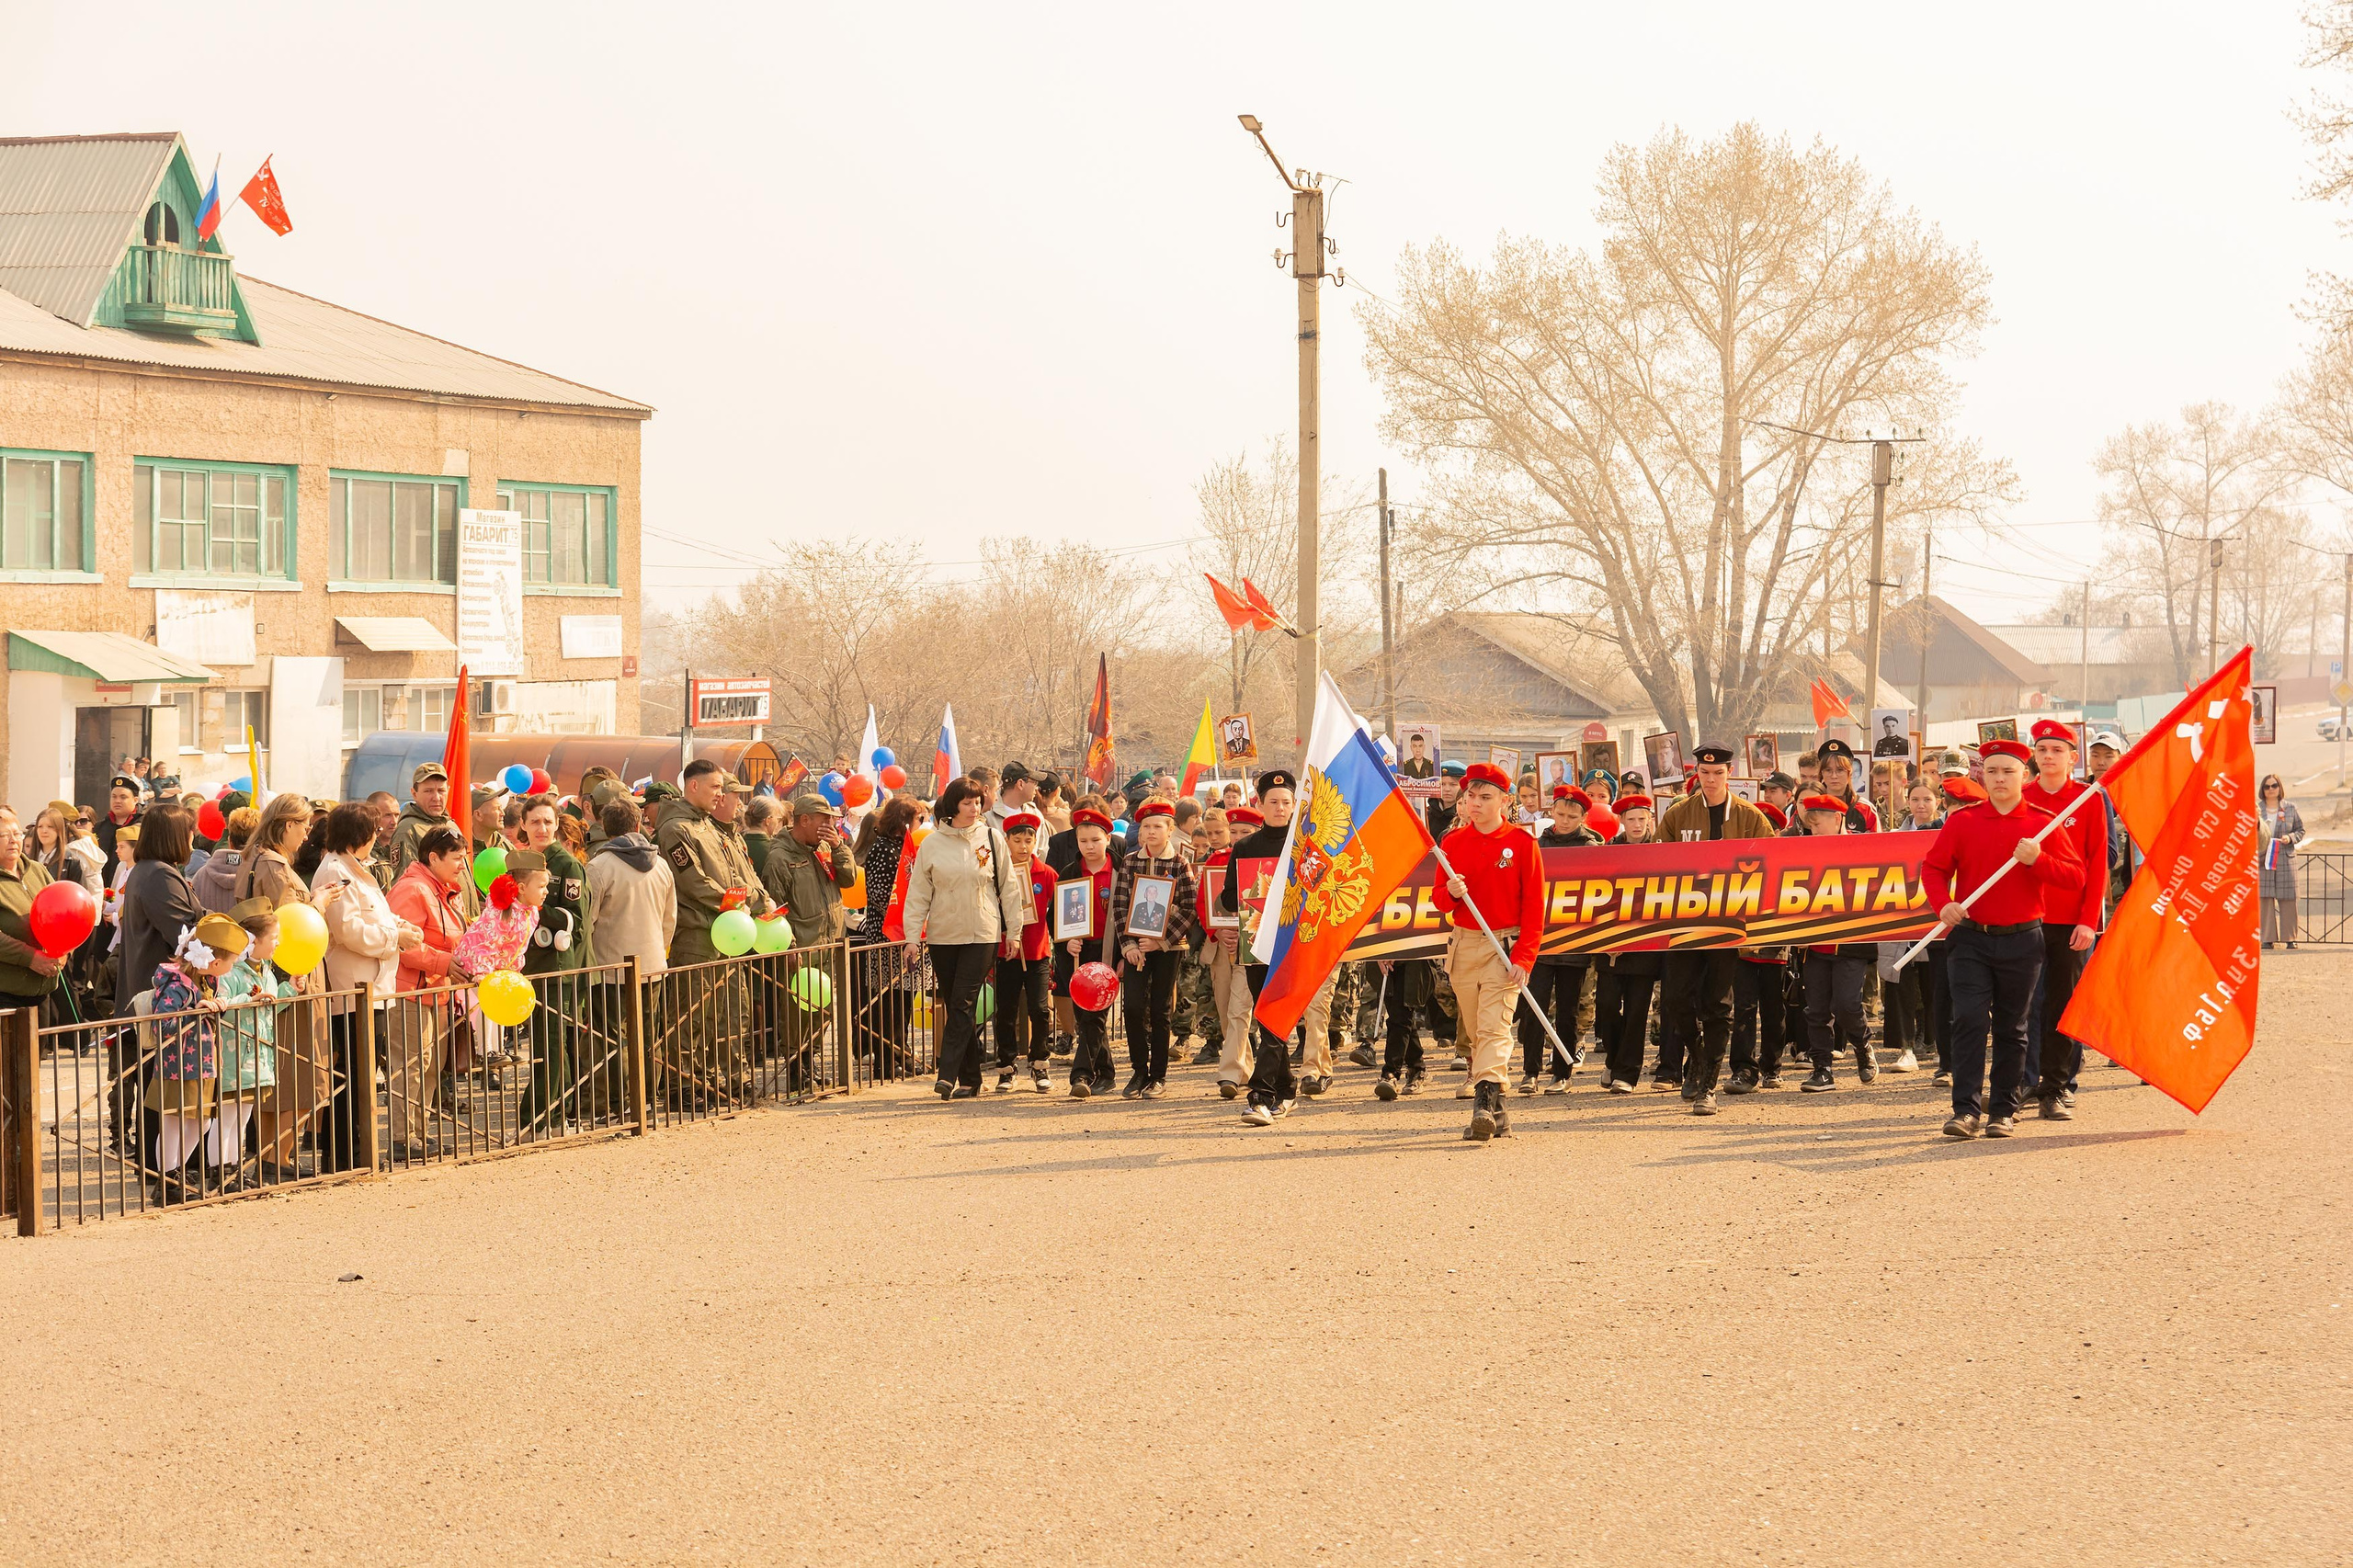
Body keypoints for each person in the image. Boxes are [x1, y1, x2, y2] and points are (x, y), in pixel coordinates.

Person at [1924, 737, 2085, 1140]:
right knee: (1969, 1021)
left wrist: (2038, 859)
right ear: (1983, 775)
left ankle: (2003, 1111)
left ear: (2024, 776)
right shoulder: (1964, 821)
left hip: (2023, 940)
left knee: (2014, 1027)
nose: (1999, 779)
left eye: (2008, 771)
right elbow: (1934, 869)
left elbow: (2076, 877)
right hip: (1970, 938)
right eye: (1992, 771)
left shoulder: (2042, 824)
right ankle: (1964, 1110)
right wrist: (1942, 904)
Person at [1656, 744, 1779, 1112]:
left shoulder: (1749, 816)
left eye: (1718, 774)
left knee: (1718, 1003)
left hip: (1729, 923)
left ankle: (1709, 1079)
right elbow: (1656, 860)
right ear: (1697, 772)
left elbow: (1771, 860)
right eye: (1705, 773)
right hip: (1685, 921)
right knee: (1677, 998)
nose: (1711, 780)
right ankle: (1696, 1055)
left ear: (1730, 774)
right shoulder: (1679, 814)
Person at [1432, 762, 1544, 1142]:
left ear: (1504, 800)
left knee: (1495, 1028)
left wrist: (1525, 957)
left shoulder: (1524, 845)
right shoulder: (1452, 844)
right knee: (1478, 1032)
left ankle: (1482, 1103)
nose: (1475, 803)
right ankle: (1499, 1113)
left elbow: (1534, 907)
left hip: (1504, 946)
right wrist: (1451, 891)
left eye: (1485, 797)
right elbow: (1438, 901)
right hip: (1464, 943)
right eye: (1471, 797)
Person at [902, 777, 1029, 1100]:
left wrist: (1013, 931)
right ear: (953, 805)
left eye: (978, 802)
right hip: (944, 935)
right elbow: (918, 894)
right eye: (967, 803)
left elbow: (1009, 888)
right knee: (958, 1006)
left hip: (982, 931)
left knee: (962, 1002)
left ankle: (946, 1074)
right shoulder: (931, 843)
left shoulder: (991, 837)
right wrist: (912, 937)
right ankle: (971, 1080)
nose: (974, 808)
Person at [314, 801, 422, 1171]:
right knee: (355, 1073)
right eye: (374, 832)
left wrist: (402, 926)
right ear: (360, 835)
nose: (377, 838)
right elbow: (348, 930)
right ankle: (347, 1156)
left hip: (372, 983)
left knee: (363, 1072)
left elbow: (375, 912)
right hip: (354, 986)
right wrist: (395, 938)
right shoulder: (335, 869)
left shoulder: (354, 867)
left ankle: (355, 1152)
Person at [2020, 718, 2109, 1120]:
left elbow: (2097, 864)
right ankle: (2022, 1083)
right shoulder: (2020, 798)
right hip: (2025, 918)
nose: (2049, 757)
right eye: (2042, 750)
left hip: (2070, 921)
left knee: (2062, 1007)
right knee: (2021, 1007)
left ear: (2073, 757)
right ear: (2034, 757)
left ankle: (2055, 1088)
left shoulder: (2088, 799)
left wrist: (2088, 921)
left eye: (2057, 750)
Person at [141, 911, 253, 1205]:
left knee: (200, 1124)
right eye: (231, 962)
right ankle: (167, 1182)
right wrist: (195, 1010)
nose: (232, 967)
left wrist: (218, 1005)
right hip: (177, 1066)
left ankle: (178, 1173)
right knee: (174, 1123)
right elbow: (162, 1022)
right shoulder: (175, 983)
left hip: (203, 1063)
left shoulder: (209, 982)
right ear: (214, 962)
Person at [385, 824, 469, 1161]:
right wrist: (444, 962)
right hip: (411, 992)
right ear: (434, 858)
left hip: (435, 991)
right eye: (457, 858)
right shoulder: (413, 890)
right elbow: (403, 945)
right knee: (411, 1066)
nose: (462, 865)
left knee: (430, 1065)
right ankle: (403, 1137)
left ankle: (418, 1133)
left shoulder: (440, 888)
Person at [1108, 800, 1196, 1099]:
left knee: (1160, 1010)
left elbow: (1190, 907)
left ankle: (1158, 1075)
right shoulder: (1131, 861)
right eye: (1146, 826)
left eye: (1158, 826)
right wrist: (1129, 945)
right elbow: (1120, 906)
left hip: (1167, 948)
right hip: (1136, 950)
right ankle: (1138, 1071)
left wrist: (1162, 940)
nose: (1151, 832)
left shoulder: (1179, 863)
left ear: (1170, 830)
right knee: (1132, 1007)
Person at [1517, 785, 1600, 1096]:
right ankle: (1530, 1072)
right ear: (1552, 811)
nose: (1565, 820)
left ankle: (1562, 1072)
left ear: (1583, 817)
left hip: (1575, 942)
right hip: (1539, 939)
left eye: (1573, 816)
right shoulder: (1536, 844)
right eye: (1561, 814)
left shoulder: (1592, 847)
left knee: (1567, 1010)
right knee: (1534, 1007)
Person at [1790, 795, 1876, 1092]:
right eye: (1809, 826)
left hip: (1850, 942)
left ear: (1837, 819)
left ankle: (1862, 1045)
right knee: (1815, 1009)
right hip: (1814, 944)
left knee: (1847, 1004)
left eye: (1817, 825)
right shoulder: (1802, 849)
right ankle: (1822, 1068)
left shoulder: (1863, 846)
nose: (1812, 831)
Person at [1882, 780, 1949, 1083]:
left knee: (1936, 984)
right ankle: (1905, 1047)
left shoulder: (1948, 835)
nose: (1920, 805)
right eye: (1914, 799)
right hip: (1903, 918)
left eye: (1927, 799)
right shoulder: (1894, 837)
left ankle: (1936, 1042)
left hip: (1938, 918)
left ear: (1938, 802)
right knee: (1900, 983)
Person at [851, 795, 922, 1077]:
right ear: (904, 821)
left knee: (903, 1000)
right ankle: (887, 1059)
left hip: (909, 934)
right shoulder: (883, 849)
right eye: (919, 819)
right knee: (887, 1002)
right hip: (887, 935)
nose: (921, 824)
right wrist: (909, 914)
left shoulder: (908, 847)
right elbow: (880, 894)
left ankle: (899, 1053)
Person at [1595, 795, 1660, 1094]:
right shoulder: (1609, 851)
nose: (1637, 824)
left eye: (1641, 818)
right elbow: (1599, 897)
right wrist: (1607, 937)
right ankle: (1614, 1058)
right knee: (1606, 1008)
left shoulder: (1660, 852)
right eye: (1631, 819)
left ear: (1650, 820)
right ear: (1622, 821)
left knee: (1637, 1012)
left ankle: (1627, 1073)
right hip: (1612, 947)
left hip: (1645, 946)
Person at [1055, 806, 1121, 1098]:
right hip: (1079, 953)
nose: (1089, 847)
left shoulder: (1120, 872)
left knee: (1096, 1015)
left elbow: (1129, 917)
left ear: (1107, 838)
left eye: (1095, 840)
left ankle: (1080, 1074)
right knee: (1086, 1016)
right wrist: (1065, 942)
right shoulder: (1070, 873)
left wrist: (1123, 956)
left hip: (1109, 951)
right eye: (1083, 841)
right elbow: (1054, 917)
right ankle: (1106, 1074)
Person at [992, 811, 1055, 1093]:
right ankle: (1006, 1067)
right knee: (1005, 1010)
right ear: (1006, 841)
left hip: (1038, 950)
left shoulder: (1047, 874)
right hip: (1007, 952)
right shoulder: (996, 874)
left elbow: (1060, 912)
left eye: (1028, 840)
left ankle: (1040, 1062)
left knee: (1040, 1010)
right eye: (1016, 840)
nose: (1023, 846)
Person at [587, 798, 677, 983]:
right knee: (648, 1013)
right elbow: (670, 919)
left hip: (611, 970)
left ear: (605, 827)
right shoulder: (661, 865)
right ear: (638, 825)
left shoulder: (598, 866)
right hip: (653, 966)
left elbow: (588, 921)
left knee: (612, 1013)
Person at [0, 810, 61, 1015]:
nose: (13, 840)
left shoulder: (36, 870)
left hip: (42, 992)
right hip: (6, 995)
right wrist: (31, 958)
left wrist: (65, 952)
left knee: (40, 1047)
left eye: (17, 834)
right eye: (3, 835)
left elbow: (63, 912)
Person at [2257, 773, 2305, 951]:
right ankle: (2267, 938)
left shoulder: (2290, 808)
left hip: (2285, 858)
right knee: (2265, 899)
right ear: (2262, 790)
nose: (2271, 789)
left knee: (2288, 899)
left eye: (2274, 786)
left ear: (2280, 788)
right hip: (2263, 859)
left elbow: (2301, 830)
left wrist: (2290, 837)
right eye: (2267, 787)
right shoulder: (2256, 809)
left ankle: (2290, 938)